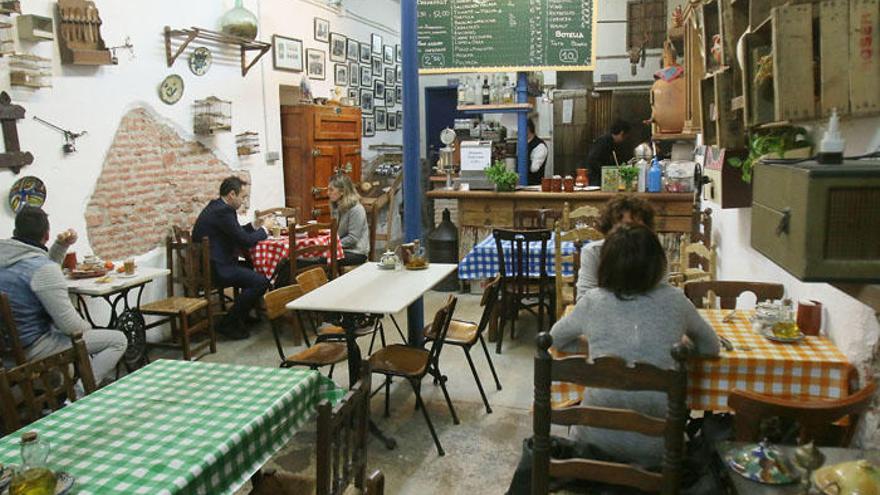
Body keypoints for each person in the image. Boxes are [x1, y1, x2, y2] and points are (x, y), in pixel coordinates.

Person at [506, 226, 719, 494]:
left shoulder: (593, 301)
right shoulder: (676, 301)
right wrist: (681, 348)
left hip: (593, 446)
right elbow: (711, 347)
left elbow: (554, 340)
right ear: (658, 264)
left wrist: (595, 347)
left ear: (605, 265)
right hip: (659, 453)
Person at [0, 206, 127, 386]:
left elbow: (43, 271)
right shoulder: (42, 270)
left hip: (6, 349)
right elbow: (72, 327)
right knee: (117, 340)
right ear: (46, 235)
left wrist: (61, 246)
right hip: (32, 347)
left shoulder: (8, 257)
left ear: (15, 231)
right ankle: (79, 394)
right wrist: (88, 325)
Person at [192, 176, 273, 339]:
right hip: (218, 268)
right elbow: (245, 240)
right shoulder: (224, 212)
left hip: (213, 264)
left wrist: (255, 225)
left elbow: (236, 232)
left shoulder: (217, 207)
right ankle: (228, 323)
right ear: (231, 195)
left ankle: (241, 316)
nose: (244, 201)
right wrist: (264, 230)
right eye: (243, 197)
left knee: (252, 269)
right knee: (261, 281)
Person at [576, 194, 656, 301]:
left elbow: (661, 295)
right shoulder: (593, 252)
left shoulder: (656, 253)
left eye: (634, 226)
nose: (628, 231)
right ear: (609, 228)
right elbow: (584, 298)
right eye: (621, 226)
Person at [328, 174, 369, 266]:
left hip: (356, 252)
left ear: (342, 191)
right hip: (341, 248)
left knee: (319, 259)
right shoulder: (336, 206)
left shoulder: (356, 209)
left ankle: (330, 279)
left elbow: (353, 238)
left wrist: (331, 245)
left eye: (331, 190)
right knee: (309, 258)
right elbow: (336, 232)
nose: (328, 193)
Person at [584, 120, 631, 187]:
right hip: (597, 179)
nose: (625, 140)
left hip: (607, 179)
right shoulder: (603, 142)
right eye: (626, 136)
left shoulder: (614, 143)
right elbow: (592, 160)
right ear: (621, 133)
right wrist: (606, 171)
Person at [526, 118, 549, 186]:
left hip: (534, 187)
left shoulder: (540, 146)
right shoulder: (523, 143)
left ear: (528, 129)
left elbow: (534, 168)